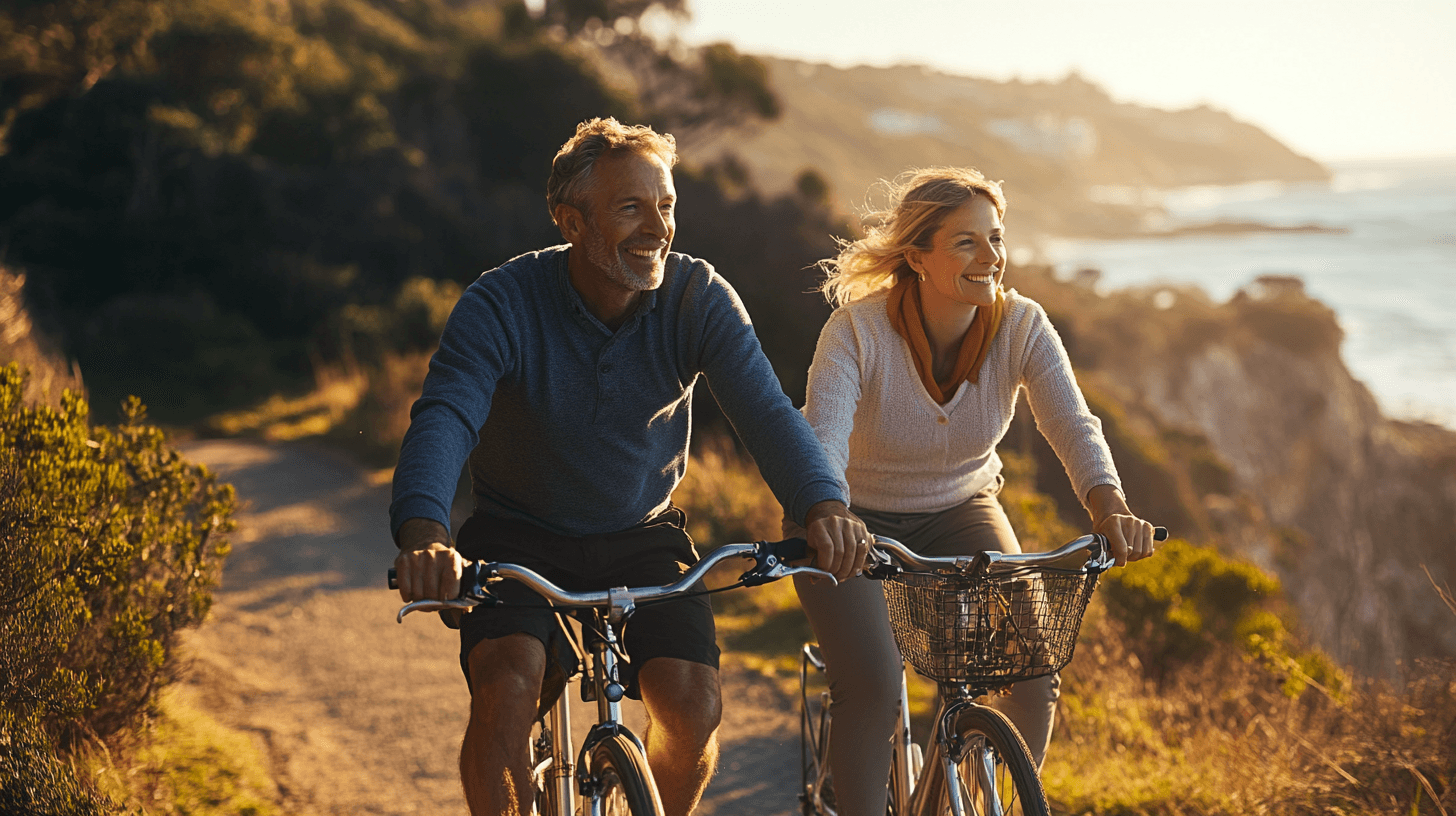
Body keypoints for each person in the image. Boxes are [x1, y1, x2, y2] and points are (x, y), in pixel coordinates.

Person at [388, 117, 868, 816]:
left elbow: (767, 414)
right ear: (570, 220)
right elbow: (446, 417)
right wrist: (425, 531)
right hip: (518, 534)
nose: (656, 227)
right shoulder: (502, 302)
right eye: (630, 208)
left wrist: (825, 503)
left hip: (641, 534)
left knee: (693, 706)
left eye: (666, 205)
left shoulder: (697, 297)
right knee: (507, 683)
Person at [787, 167, 1157, 816]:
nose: (991, 258)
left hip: (962, 506)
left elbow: (1071, 424)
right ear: (917, 257)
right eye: (966, 243)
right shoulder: (857, 331)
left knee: (1034, 676)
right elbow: (824, 435)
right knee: (872, 685)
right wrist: (830, 513)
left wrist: (1112, 508)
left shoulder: (1022, 326)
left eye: (996, 237)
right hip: (845, 518)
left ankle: (966, 801)